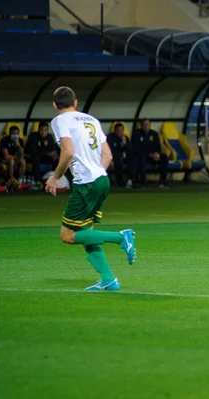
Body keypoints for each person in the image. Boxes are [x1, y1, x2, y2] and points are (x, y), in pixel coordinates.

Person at [45, 86, 136, 291]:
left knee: (68, 235)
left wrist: (55, 177)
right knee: (86, 232)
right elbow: (108, 156)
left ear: (54, 105)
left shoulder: (59, 121)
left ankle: (121, 237)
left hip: (87, 183)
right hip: (102, 180)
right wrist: (95, 174)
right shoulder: (91, 119)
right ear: (75, 102)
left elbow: (68, 152)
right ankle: (108, 280)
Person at [130, 119, 169, 189]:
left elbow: (158, 147)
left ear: (149, 125)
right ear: (141, 125)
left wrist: (157, 154)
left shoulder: (154, 134)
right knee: (141, 158)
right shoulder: (136, 134)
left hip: (153, 156)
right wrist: (148, 154)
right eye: (144, 124)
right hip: (143, 156)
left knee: (164, 157)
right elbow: (136, 149)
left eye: (147, 124)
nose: (146, 126)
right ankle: (143, 183)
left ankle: (163, 182)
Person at [0, 126, 26, 190]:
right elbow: (6, 156)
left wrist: (18, 145)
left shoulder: (20, 141)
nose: (15, 135)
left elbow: (22, 155)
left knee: (23, 161)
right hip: (4, 160)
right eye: (13, 134)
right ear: (9, 133)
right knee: (11, 160)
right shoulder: (4, 140)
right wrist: (16, 157)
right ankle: (10, 181)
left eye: (16, 134)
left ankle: (19, 181)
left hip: (15, 159)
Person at [107, 123, 132, 188]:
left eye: (121, 130)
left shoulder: (125, 138)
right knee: (118, 160)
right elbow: (108, 150)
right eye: (118, 130)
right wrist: (111, 160)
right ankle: (119, 183)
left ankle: (131, 181)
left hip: (124, 158)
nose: (119, 132)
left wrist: (124, 144)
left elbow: (129, 151)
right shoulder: (110, 137)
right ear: (115, 130)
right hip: (113, 158)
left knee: (133, 160)